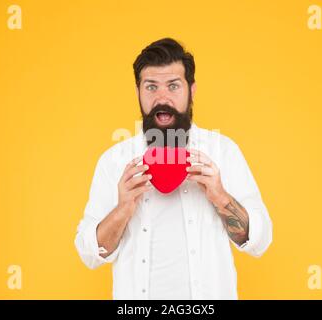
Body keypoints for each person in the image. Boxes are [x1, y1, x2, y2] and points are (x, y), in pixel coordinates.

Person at [75, 38, 273, 300]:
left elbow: (260, 241)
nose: (162, 98)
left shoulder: (223, 152)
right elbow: (89, 254)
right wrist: (123, 208)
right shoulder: (114, 161)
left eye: (173, 86)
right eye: (151, 87)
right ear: (137, 92)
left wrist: (219, 195)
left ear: (191, 90)